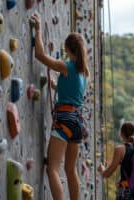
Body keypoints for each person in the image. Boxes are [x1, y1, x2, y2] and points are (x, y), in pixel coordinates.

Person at [31, 13, 89, 200]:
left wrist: (38, 29)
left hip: (64, 120)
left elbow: (40, 55)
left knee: (53, 169)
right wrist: (56, 85)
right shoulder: (83, 73)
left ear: (66, 48)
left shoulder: (67, 66)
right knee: (70, 170)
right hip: (78, 122)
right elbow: (72, 94)